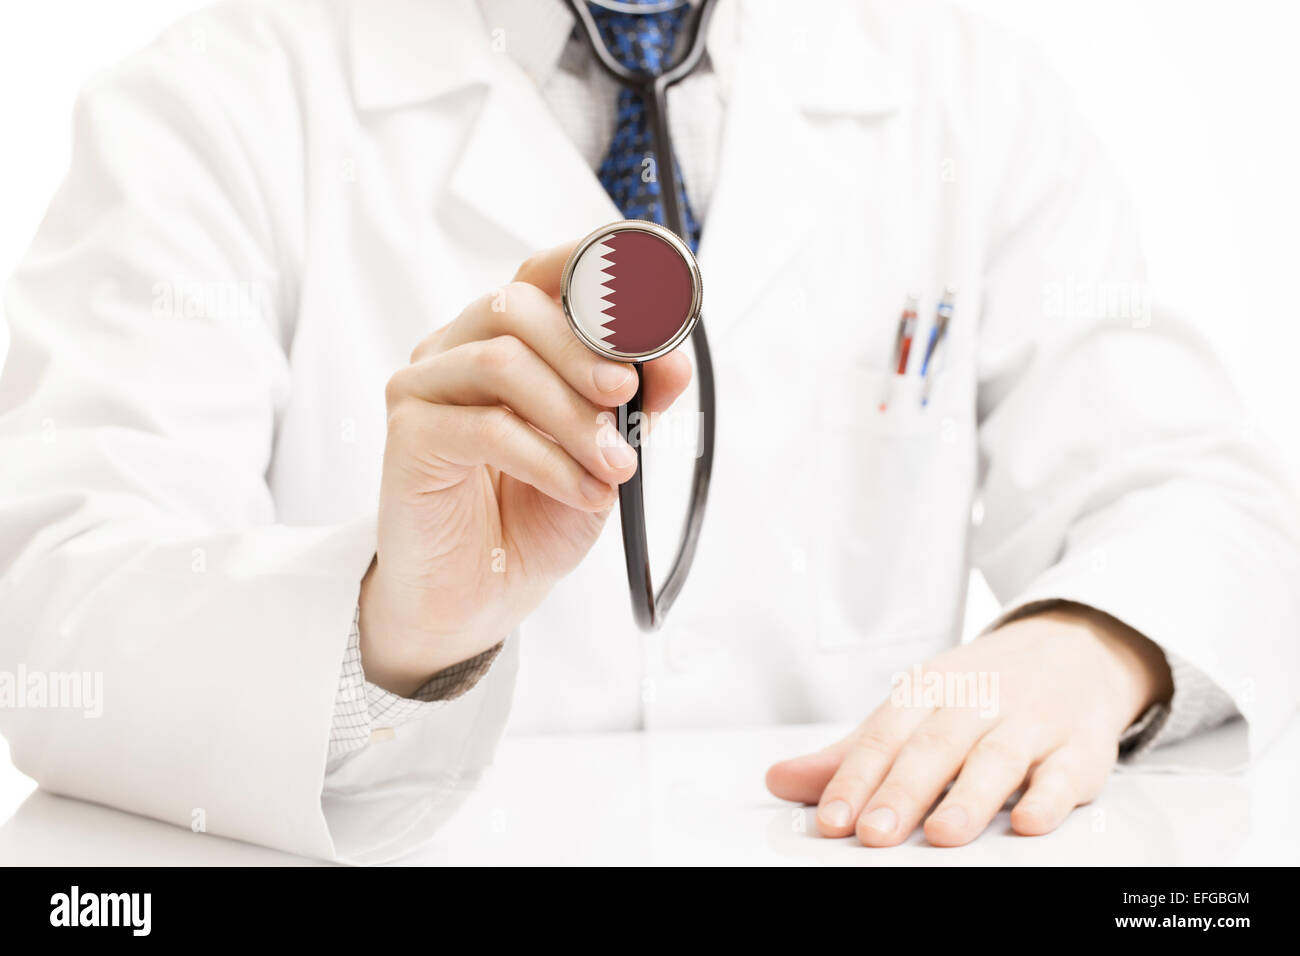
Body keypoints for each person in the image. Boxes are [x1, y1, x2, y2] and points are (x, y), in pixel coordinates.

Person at [1, 0, 1296, 864]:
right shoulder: (214, 99)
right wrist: (391, 627)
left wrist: (1089, 641)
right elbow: (55, 613)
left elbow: (1199, 498)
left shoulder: (967, 91)